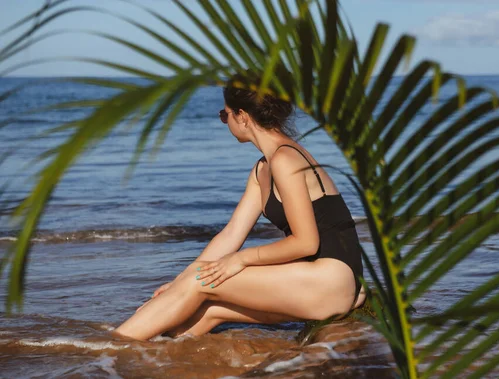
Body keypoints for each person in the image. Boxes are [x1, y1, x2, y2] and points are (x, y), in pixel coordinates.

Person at [114, 80, 365, 341]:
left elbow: (306, 243)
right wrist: (178, 283)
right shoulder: (262, 169)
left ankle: (112, 344)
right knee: (212, 310)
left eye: (225, 115)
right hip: (316, 280)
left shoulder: (285, 160)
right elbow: (231, 235)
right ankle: (140, 355)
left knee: (201, 283)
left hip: (331, 282)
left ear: (242, 116)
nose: (225, 121)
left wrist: (241, 259)